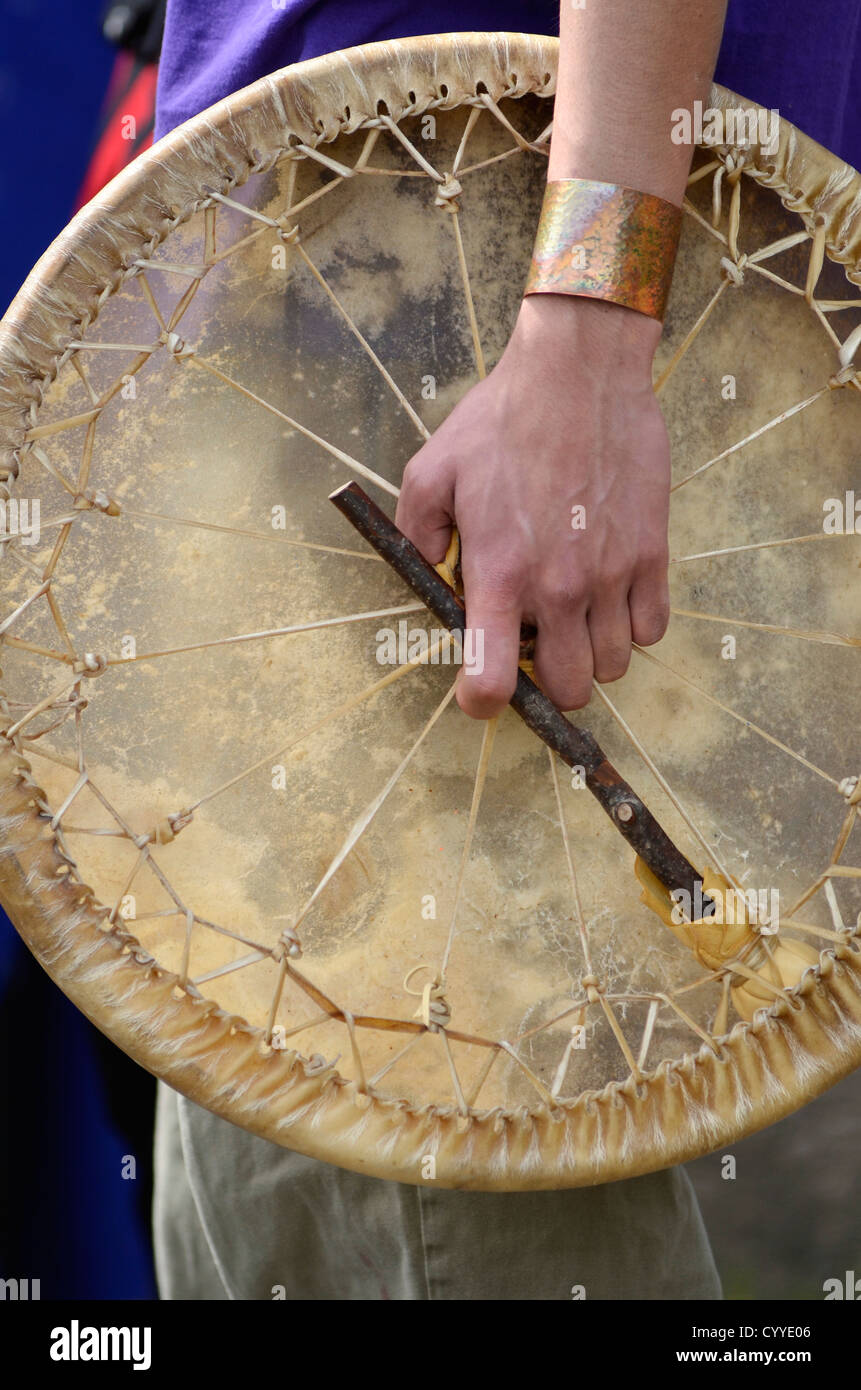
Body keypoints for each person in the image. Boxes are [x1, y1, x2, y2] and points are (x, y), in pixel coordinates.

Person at [148, 0, 832, 1300]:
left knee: (435, 1133)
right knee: (295, 1145)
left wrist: (584, 333)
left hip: (474, 306)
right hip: (354, 296)